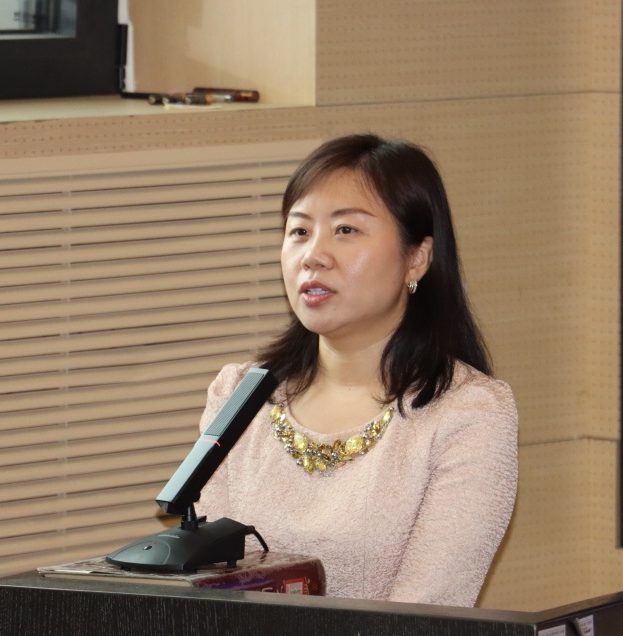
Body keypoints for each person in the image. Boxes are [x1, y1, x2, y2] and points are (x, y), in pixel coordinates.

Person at [197, 133, 518, 608]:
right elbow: (209, 594)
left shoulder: (468, 414)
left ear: (417, 257)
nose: (313, 255)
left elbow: (424, 617)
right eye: (299, 231)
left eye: (346, 230)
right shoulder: (239, 396)